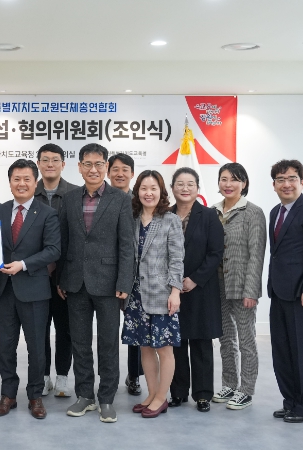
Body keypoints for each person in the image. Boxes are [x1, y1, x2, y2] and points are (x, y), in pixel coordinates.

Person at [56, 144, 134, 423]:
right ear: (79, 167)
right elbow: (63, 242)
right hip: (75, 282)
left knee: (108, 343)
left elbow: (127, 244)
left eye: (99, 164)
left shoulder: (120, 199)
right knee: (80, 342)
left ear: (106, 167)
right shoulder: (69, 198)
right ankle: (85, 395)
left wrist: (124, 280)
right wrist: (61, 278)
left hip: (109, 284)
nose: (93, 169)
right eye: (87, 164)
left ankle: (107, 398)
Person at [0, 159, 61, 420]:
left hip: (34, 289)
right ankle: (8, 394)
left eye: (26, 179)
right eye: (16, 179)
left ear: (35, 182)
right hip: (4, 289)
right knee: (6, 346)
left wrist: (23, 264)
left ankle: (35, 396)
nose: (21, 184)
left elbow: (53, 250)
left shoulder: (47, 213)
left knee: (36, 347)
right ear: (9, 182)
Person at [121, 170, 184, 419]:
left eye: (153, 188)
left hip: (162, 294)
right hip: (136, 295)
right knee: (145, 348)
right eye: (144, 188)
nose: (148, 193)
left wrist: (176, 292)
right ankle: (151, 394)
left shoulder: (170, 220)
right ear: (137, 191)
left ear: (161, 192)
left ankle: (161, 397)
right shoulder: (132, 219)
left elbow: (177, 260)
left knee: (164, 349)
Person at [267, 160, 303, 423]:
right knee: (283, 352)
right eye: (281, 179)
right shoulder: (275, 212)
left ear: (302, 182)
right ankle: (291, 401)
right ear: (274, 185)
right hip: (280, 293)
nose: (286, 184)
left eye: (292, 178)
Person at [168, 168, 224, 413]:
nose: (185, 188)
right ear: (172, 188)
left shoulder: (209, 215)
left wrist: (195, 279)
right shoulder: (165, 215)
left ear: (198, 188)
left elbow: (216, 253)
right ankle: (178, 392)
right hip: (172, 289)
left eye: (190, 184)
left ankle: (202, 394)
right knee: (176, 343)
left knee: (201, 343)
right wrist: (174, 282)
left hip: (201, 290)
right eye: (180, 183)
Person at [211, 163, 266, 410]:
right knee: (225, 338)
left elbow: (257, 255)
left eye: (234, 179)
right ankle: (229, 384)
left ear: (244, 183)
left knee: (246, 340)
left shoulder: (253, 212)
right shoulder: (212, 211)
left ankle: (246, 390)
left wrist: (251, 291)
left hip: (242, 286)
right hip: (217, 285)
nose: (228, 184)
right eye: (224, 179)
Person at [34, 143, 78, 397]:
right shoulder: (29, 192)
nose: (50, 164)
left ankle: (62, 377)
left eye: (55, 160)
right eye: (45, 160)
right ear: (38, 164)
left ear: (63, 164)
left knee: (65, 329)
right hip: (36, 274)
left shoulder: (75, 194)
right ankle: (43, 376)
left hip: (65, 277)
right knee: (39, 329)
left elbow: (77, 239)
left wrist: (63, 274)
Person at [107, 153, 142, 396]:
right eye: (115, 169)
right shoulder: (100, 198)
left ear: (132, 173)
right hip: (105, 274)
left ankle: (134, 376)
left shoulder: (140, 201)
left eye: (125, 169)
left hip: (136, 275)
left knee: (134, 327)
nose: (120, 173)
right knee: (107, 333)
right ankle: (107, 379)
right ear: (108, 172)